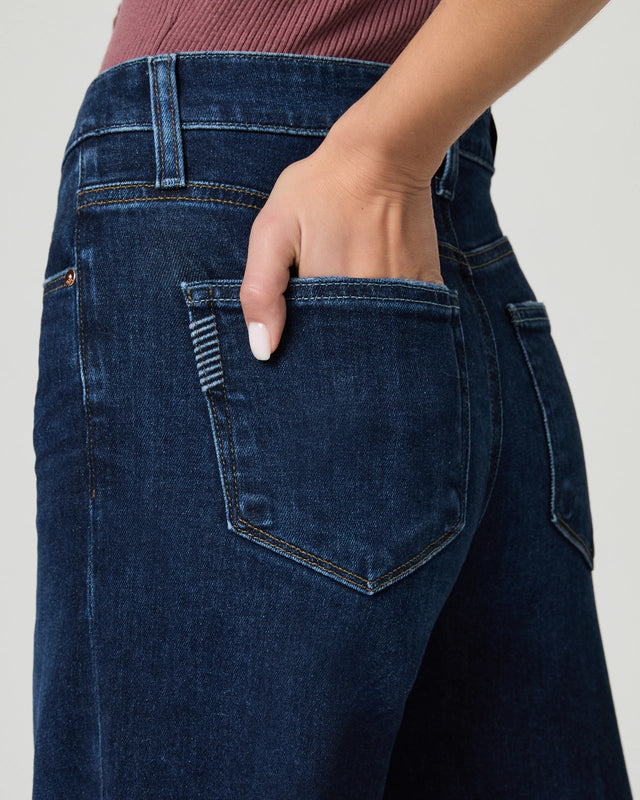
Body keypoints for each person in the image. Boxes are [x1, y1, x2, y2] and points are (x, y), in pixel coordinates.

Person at [32, 1, 632, 797]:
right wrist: (391, 147)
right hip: (417, 208)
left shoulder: (365, 165)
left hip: (236, 196)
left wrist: (382, 153)